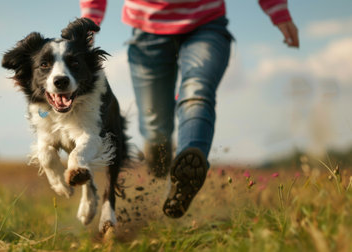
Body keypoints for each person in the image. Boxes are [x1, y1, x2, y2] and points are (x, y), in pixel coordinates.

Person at [80, 0, 299, 218]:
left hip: (207, 23)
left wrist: (278, 12)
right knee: (155, 124)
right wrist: (89, 20)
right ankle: (159, 153)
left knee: (197, 90)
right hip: (148, 27)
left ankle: (187, 168)